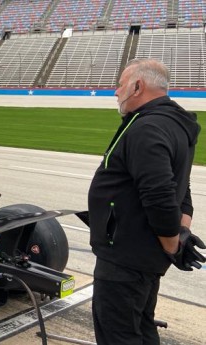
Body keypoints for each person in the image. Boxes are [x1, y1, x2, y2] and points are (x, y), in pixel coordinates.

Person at [88, 58, 205, 345]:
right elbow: (182, 185)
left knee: (119, 334)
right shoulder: (174, 123)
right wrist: (180, 232)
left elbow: (161, 195)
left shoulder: (146, 127)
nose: (116, 92)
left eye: (120, 85)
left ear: (137, 86)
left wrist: (172, 244)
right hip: (144, 256)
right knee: (141, 326)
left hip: (125, 258)